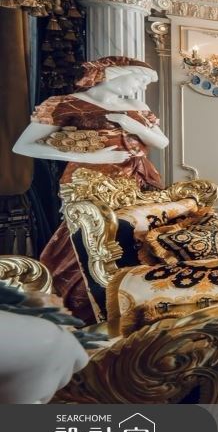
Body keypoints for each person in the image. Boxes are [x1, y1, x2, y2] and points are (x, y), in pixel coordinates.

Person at [11, 56, 169, 322]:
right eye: (139, 80)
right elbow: (23, 146)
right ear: (113, 74)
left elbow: (162, 143)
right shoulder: (66, 104)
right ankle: (85, 309)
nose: (141, 88)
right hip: (90, 180)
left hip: (138, 177)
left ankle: (134, 302)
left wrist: (132, 125)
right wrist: (92, 157)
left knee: (137, 234)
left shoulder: (136, 106)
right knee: (91, 234)